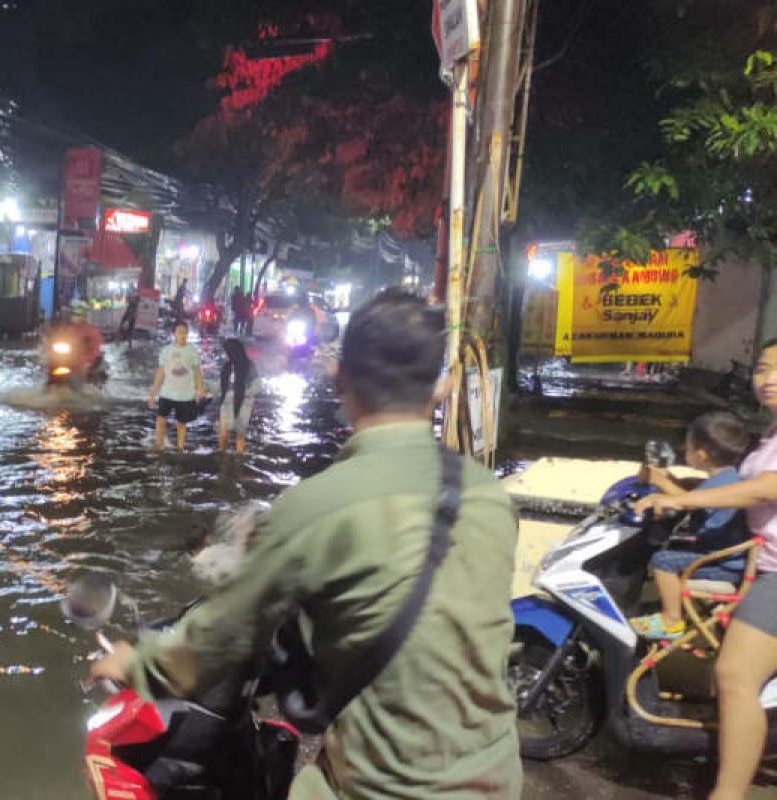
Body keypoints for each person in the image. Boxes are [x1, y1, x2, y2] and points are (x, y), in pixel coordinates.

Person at [99, 291, 522, 799]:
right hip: (497, 777)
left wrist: (137, 662)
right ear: (441, 387)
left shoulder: (317, 506)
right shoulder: (489, 497)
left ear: (340, 377)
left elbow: (219, 636)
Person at [636, 339, 777, 800]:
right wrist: (672, 484)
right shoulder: (770, 434)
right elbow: (739, 484)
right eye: (762, 369)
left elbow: (758, 492)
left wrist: (680, 498)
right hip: (761, 563)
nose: (768, 379)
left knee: (735, 675)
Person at [629, 411, 753, 640]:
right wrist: (668, 481)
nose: (684, 453)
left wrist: (662, 482)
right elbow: (692, 496)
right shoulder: (730, 479)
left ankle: (672, 619)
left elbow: (690, 503)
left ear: (701, 455)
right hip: (726, 557)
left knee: (662, 560)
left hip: (722, 563)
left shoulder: (719, 485)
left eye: (687, 448)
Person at [148, 321, 204, 452]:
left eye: (184, 332)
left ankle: (180, 448)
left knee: (181, 423)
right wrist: (153, 393)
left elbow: (197, 371)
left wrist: (199, 388)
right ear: (174, 334)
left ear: (187, 334)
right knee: (161, 419)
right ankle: (159, 444)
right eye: (179, 332)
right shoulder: (166, 351)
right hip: (167, 393)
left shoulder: (192, 351)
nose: (182, 335)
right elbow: (160, 372)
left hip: (185, 395)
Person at [218, 338, 260, 454]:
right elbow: (220, 385)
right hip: (226, 401)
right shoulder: (227, 366)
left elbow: (257, 385)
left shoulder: (249, 366)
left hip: (244, 402)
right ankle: (223, 456)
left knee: (240, 435)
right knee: (223, 433)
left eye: (227, 351)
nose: (226, 354)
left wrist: (246, 394)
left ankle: (239, 459)